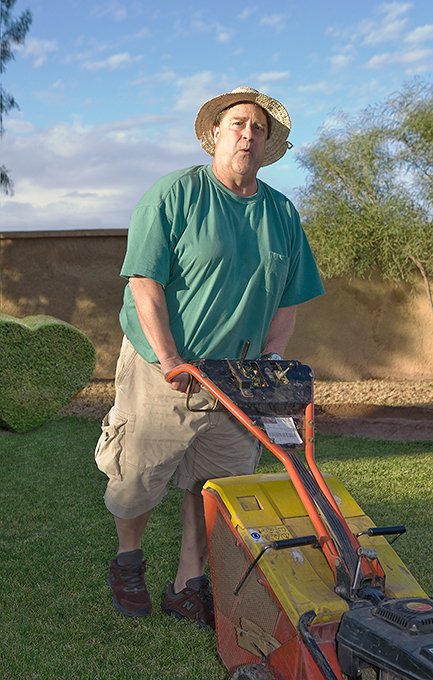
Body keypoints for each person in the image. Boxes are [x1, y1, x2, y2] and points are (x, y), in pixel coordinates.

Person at [95, 86, 325, 629]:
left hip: (235, 379)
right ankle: (128, 563)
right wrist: (169, 357)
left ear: (268, 144)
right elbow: (144, 282)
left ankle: (187, 584)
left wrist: (269, 365)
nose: (249, 134)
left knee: (216, 487)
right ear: (215, 135)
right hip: (164, 367)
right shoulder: (174, 194)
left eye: (259, 128)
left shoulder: (280, 213)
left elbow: (287, 302)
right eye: (238, 124)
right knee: (138, 477)